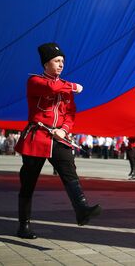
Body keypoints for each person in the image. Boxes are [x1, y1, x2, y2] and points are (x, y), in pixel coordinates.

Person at [14, 42, 101, 239]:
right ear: (46, 64)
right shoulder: (35, 81)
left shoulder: (64, 86)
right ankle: (23, 225)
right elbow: (51, 88)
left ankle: (82, 209)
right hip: (37, 137)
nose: (61, 64)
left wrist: (64, 129)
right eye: (56, 61)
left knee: (70, 172)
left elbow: (70, 113)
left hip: (57, 138)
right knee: (28, 183)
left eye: (62, 61)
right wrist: (73, 85)